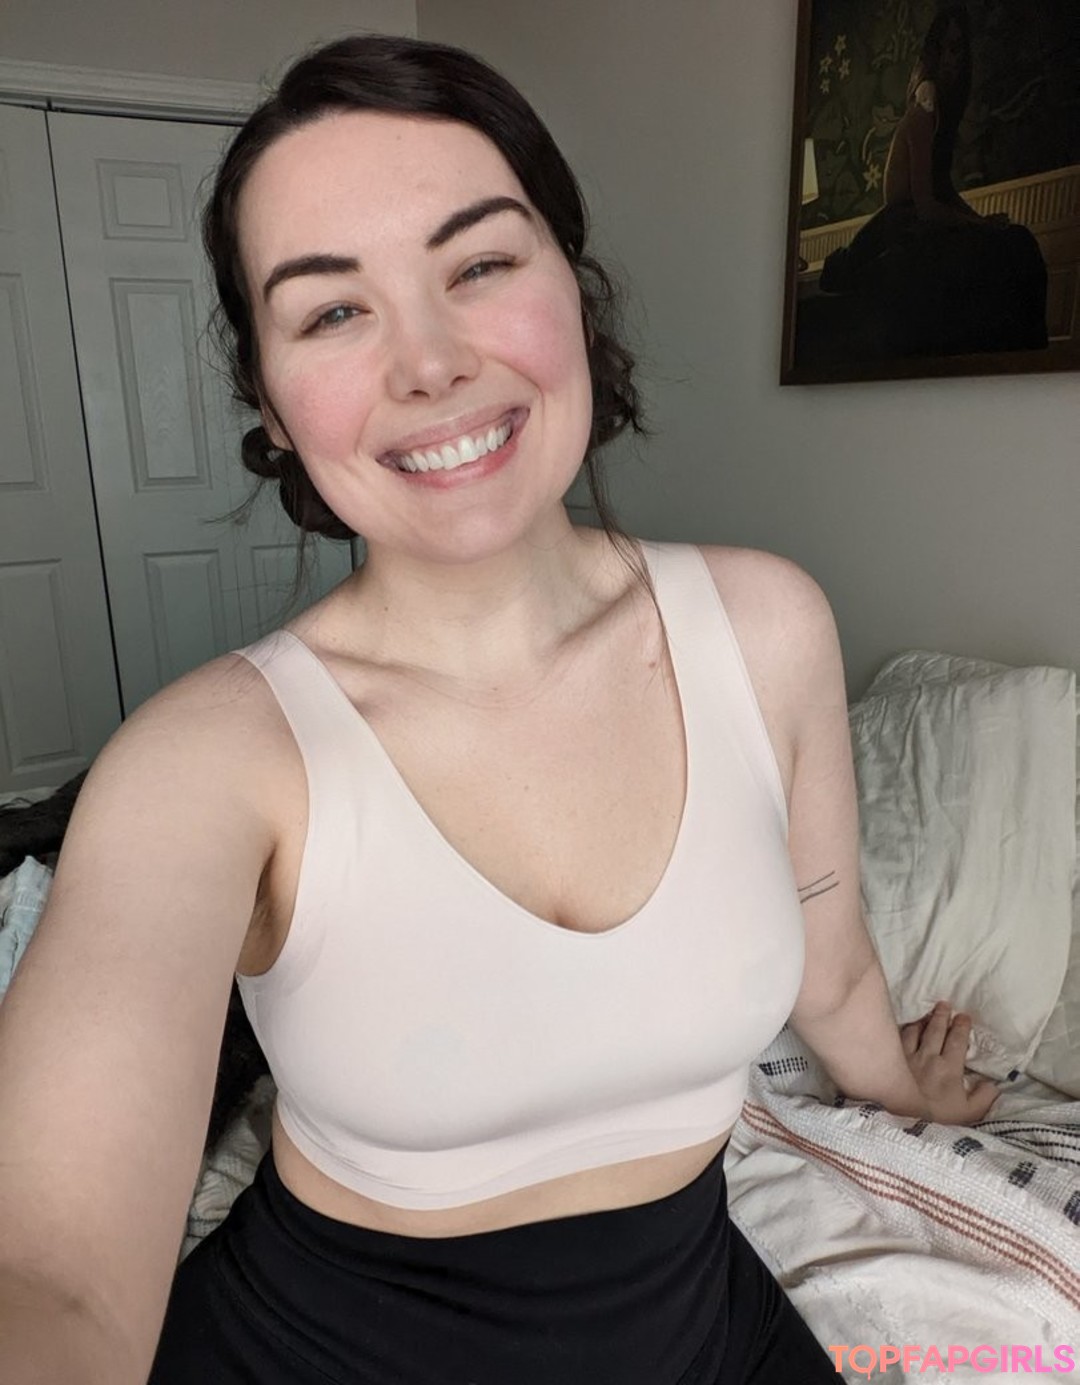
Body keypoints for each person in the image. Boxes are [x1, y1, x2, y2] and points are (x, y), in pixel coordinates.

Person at [0, 34, 996, 1385]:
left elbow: (830, 964)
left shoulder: (768, 627)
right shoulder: (203, 759)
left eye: (477, 265)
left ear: (573, 292)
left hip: (697, 1325)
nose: (429, 362)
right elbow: (49, 1273)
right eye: (332, 312)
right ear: (271, 405)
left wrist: (901, 1085)